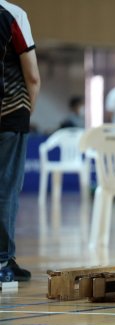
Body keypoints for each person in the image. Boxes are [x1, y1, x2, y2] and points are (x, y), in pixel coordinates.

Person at [0, 1, 40, 282]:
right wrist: (25, 114)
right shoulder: (13, 15)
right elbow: (33, 77)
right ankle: (2, 262)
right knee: (5, 189)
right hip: (10, 115)